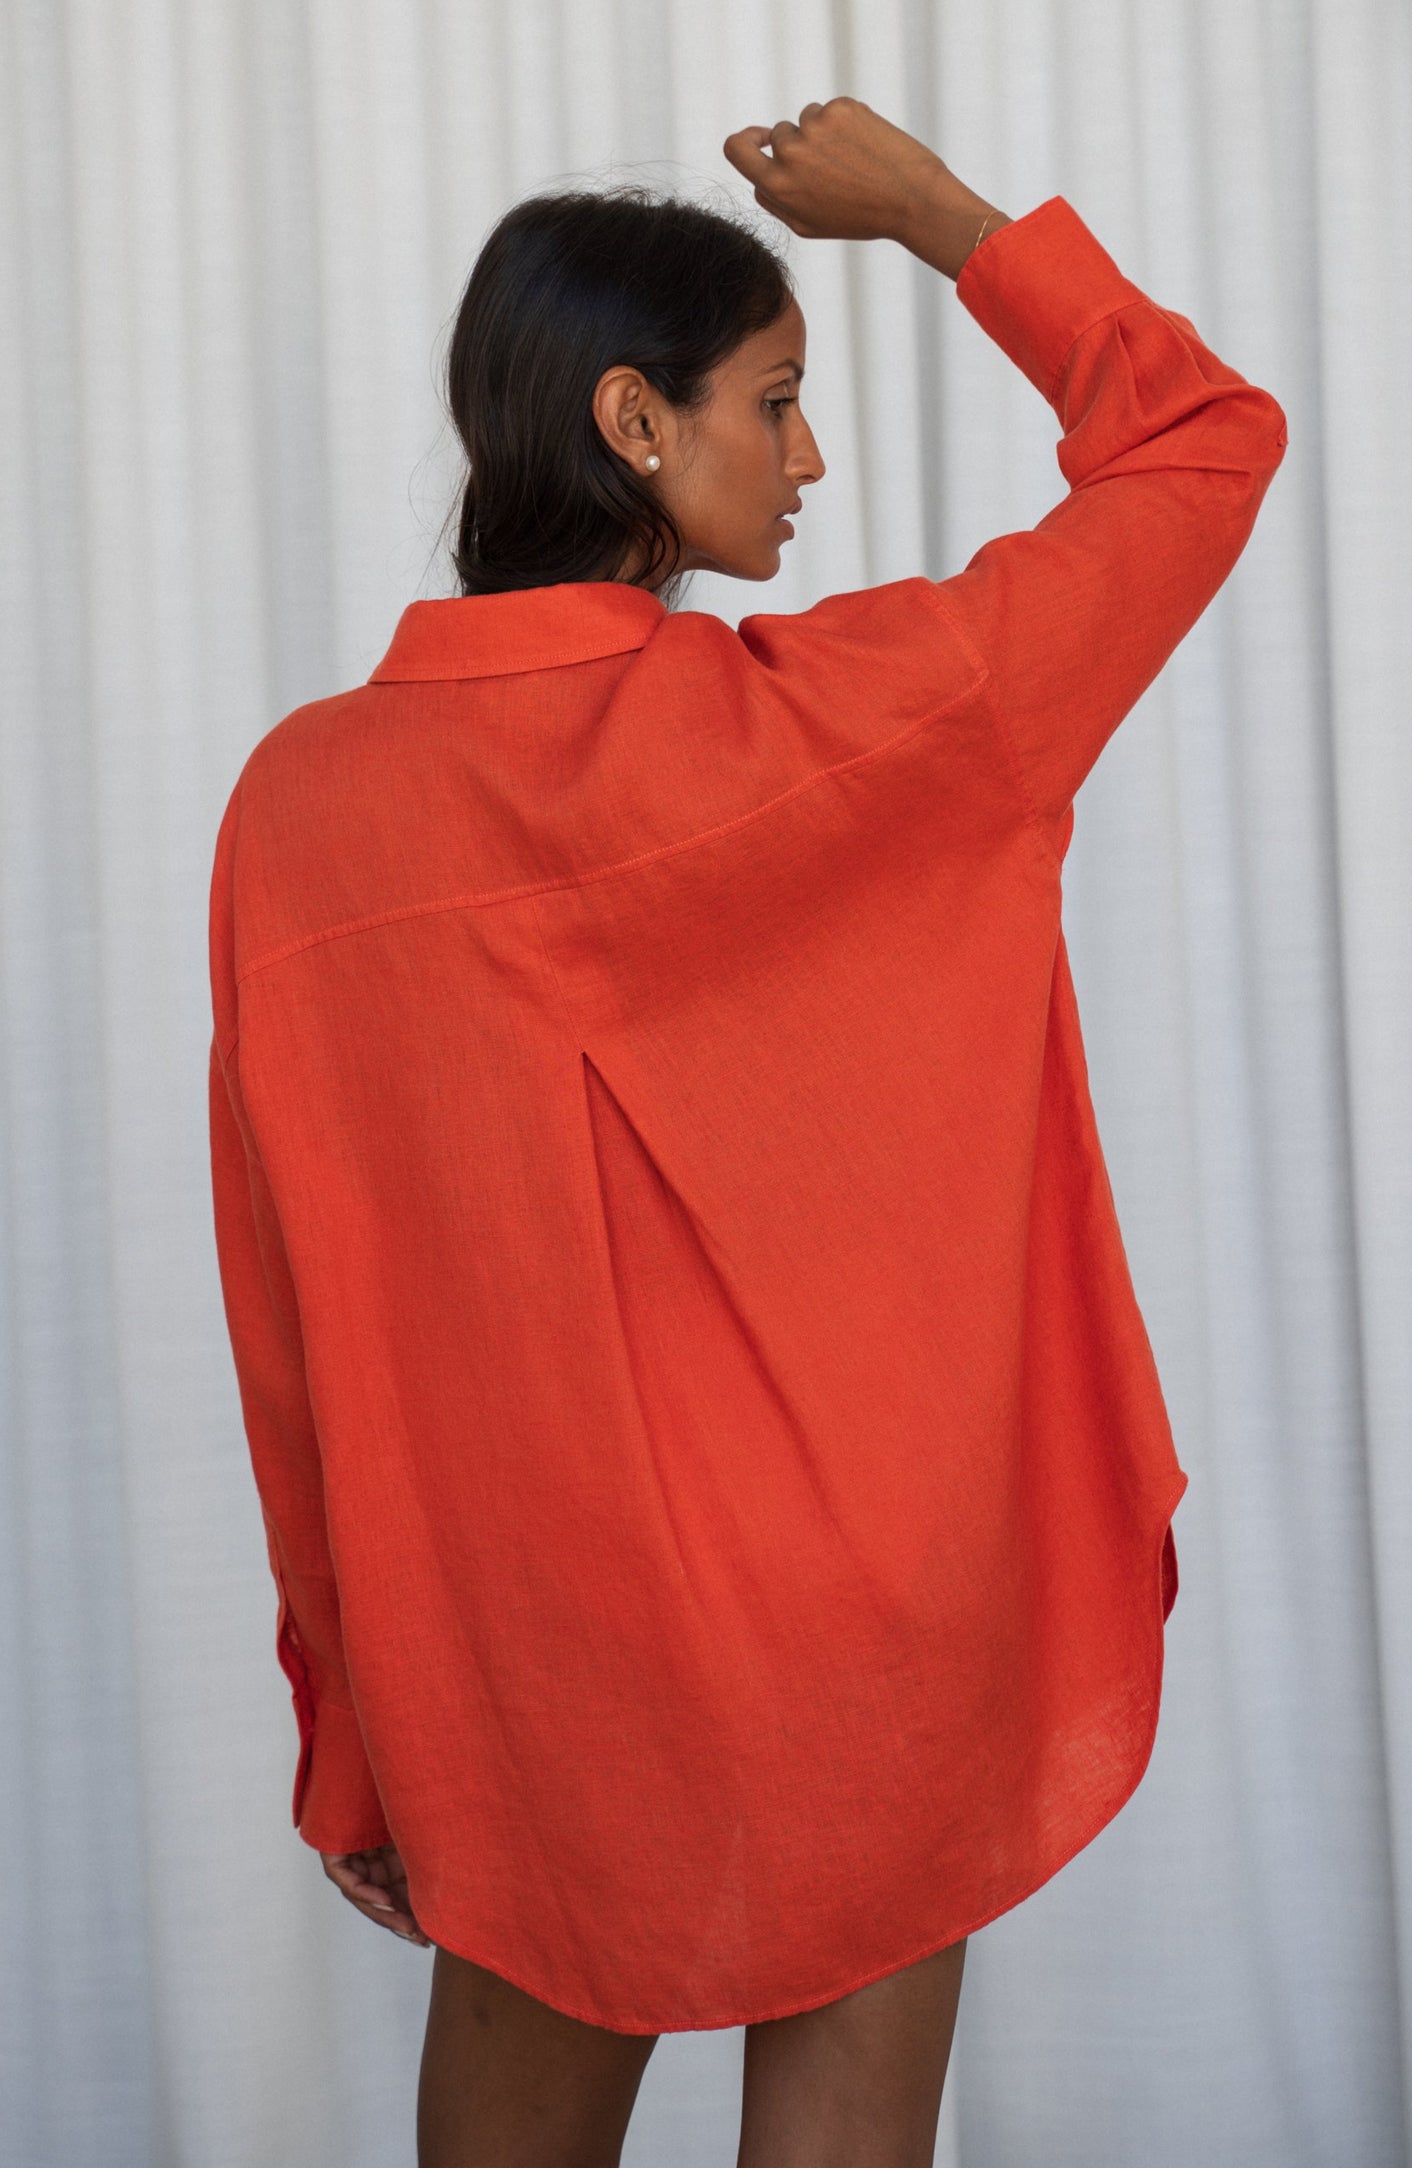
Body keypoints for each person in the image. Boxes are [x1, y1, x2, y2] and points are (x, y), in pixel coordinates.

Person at [206, 97, 1286, 2168]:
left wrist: (354, 1732)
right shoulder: (859, 713)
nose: (811, 463)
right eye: (779, 404)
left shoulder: (299, 815)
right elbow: (1203, 446)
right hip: (858, 1621)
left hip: (523, 1669)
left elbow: (295, 1327)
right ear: (633, 419)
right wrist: (943, 222)